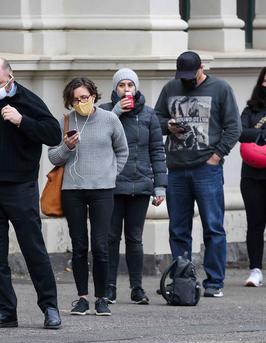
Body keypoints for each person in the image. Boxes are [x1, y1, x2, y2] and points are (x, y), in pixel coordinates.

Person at [0, 57, 63, 329]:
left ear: (10, 78)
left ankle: (50, 306)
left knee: (32, 248)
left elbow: (53, 134)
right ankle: (6, 310)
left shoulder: (27, 99)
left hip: (21, 186)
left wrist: (22, 120)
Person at [154, 51, 241, 298]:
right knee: (178, 228)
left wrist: (216, 157)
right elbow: (156, 119)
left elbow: (233, 127)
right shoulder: (171, 87)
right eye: (182, 76)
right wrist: (167, 126)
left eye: (191, 75)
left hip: (207, 168)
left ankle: (214, 282)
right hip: (177, 169)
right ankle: (182, 280)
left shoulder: (220, 88)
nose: (187, 80)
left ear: (202, 68)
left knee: (213, 226)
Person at [47, 77, 128, 317]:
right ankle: (82, 297)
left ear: (93, 95)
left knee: (101, 246)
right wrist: (67, 146)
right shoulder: (66, 121)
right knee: (79, 246)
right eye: (75, 99)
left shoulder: (110, 119)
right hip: (73, 190)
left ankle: (102, 298)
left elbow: (122, 150)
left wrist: (111, 174)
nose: (81, 102)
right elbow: (53, 157)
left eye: (84, 97)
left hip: (103, 190)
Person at [99, 68, 167, 305]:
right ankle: (109, 288)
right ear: (115, 89)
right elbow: (97, 139)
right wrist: (115, 113)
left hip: (140, 184)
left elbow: (157, 151)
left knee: (135, 238)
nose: (126, 90)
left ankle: (137, 288)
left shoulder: (149, 115)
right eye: (121, 85)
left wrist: (160, 186)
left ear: (136, 88)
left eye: (130, 85)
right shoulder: (105, 112)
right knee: (110, 237)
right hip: (112, 184)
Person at [238, 67, 266, 287]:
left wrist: (256, 136)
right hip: (253, 175)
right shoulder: (251, 109)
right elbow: (240, 132)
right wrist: (262, 134)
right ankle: (255, 269)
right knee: (255, 223)